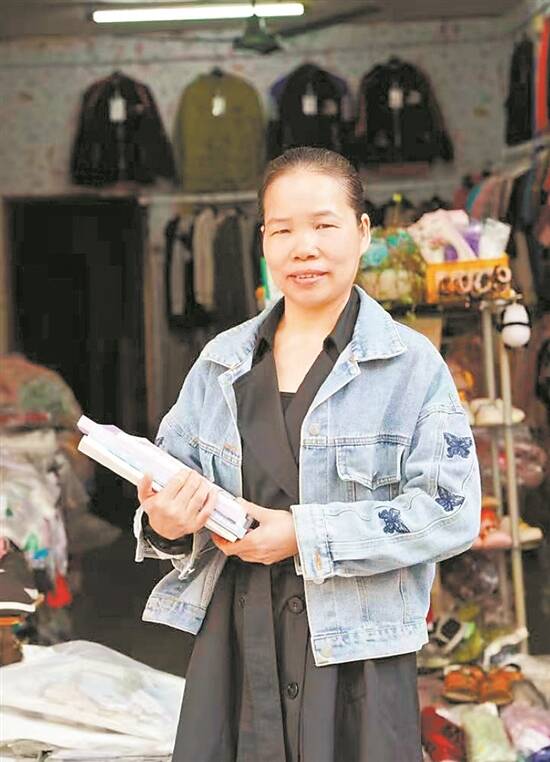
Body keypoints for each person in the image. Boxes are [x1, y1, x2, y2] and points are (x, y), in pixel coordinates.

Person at [135, 146, 481, 762]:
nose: (304, 248)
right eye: (283, 230)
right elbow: (169, 492)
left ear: (363, 232)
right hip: (236, 640)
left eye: (324, 225)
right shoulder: (221, 362)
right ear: (263, 241)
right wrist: (165, 521)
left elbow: (450, 510)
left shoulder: (411, 366)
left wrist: (303, 534)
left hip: (357, 654)